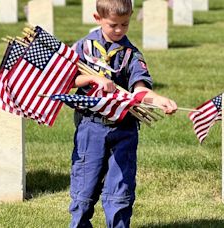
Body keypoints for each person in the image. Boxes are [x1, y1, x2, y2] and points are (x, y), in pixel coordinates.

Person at [69, 0, 177, 227]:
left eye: (125, 25)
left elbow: (140, 89)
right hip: (91, 127)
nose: (119, 30)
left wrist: (157, 99)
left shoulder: (131, 54)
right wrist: (92, 78)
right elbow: (68, 80)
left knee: (120, 190)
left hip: (124, 129)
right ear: (97, 19)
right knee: (84, 188)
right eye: (113, 25)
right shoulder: (83, 48)